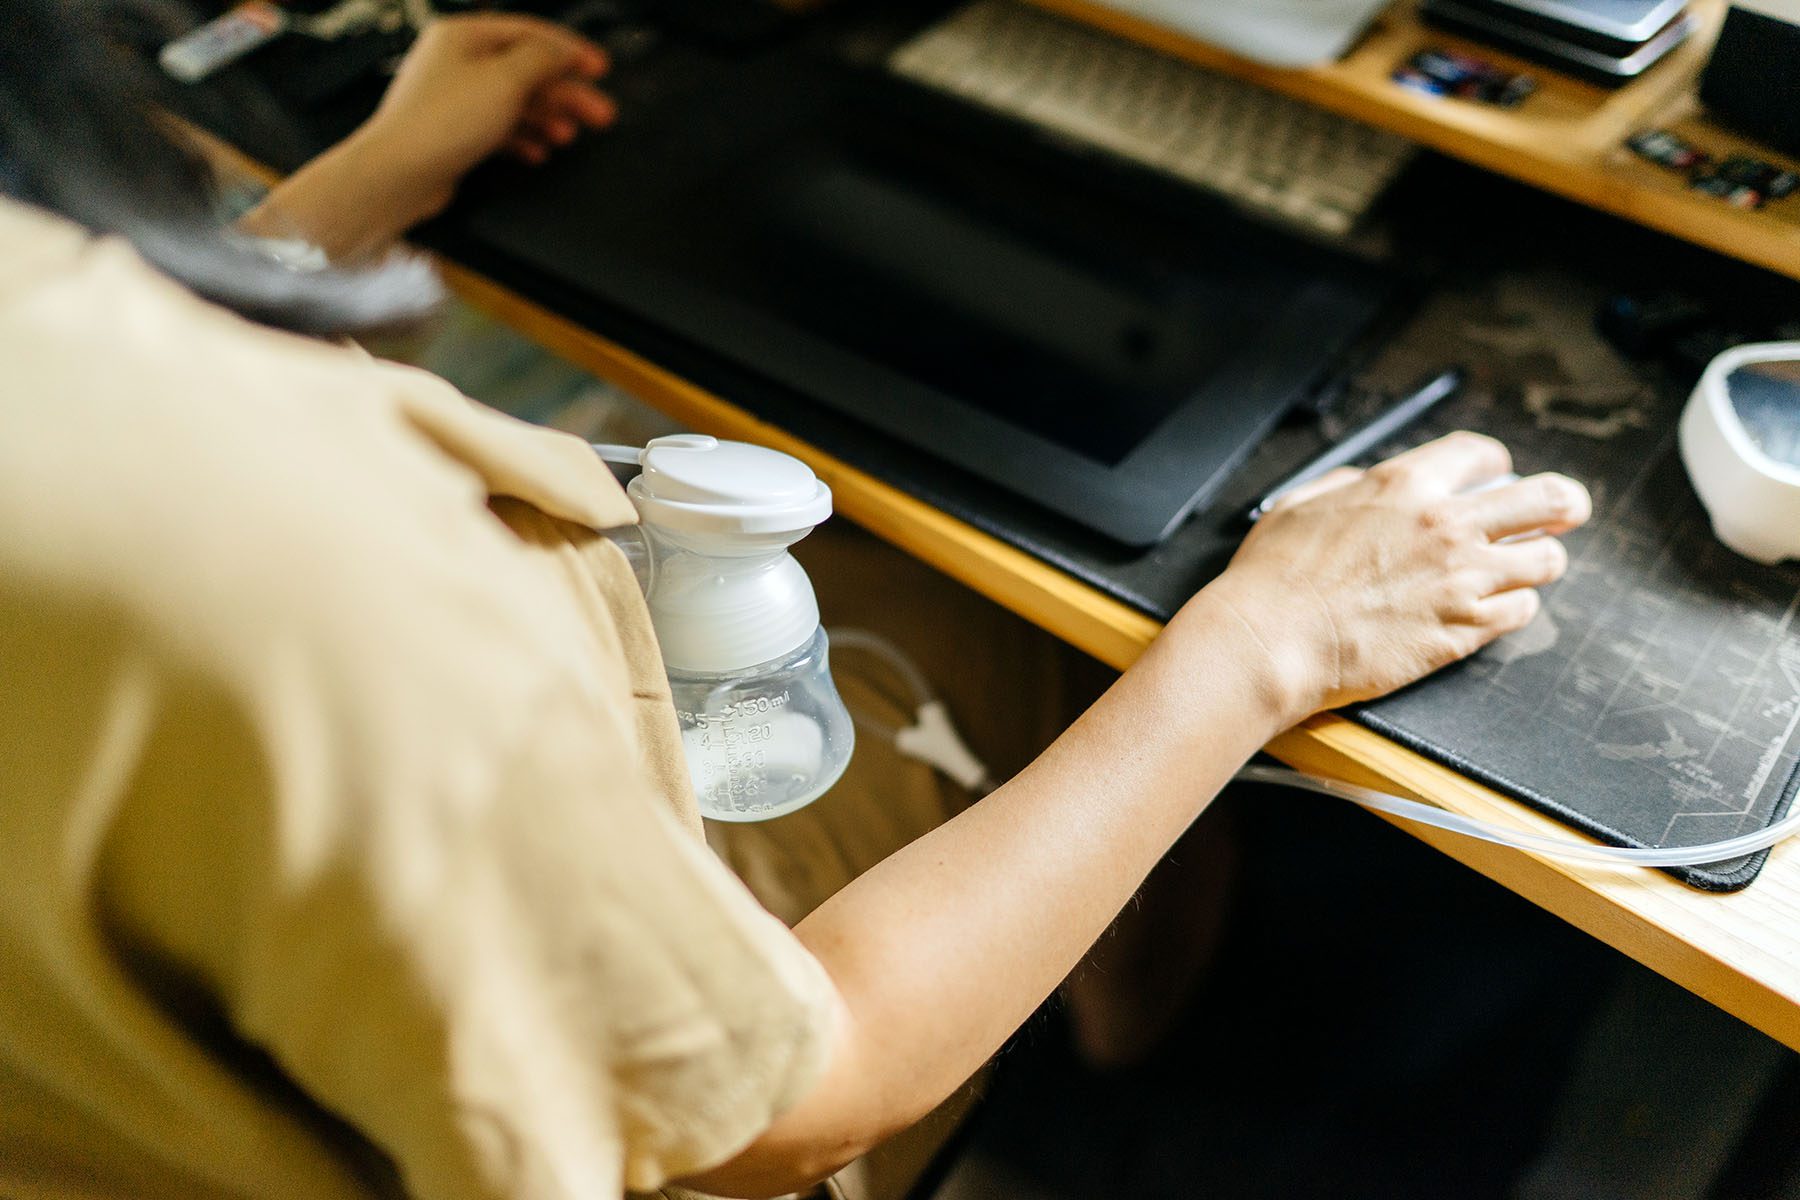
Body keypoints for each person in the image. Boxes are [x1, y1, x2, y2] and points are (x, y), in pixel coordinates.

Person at [0, 3, 1593, 1198]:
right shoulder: (280, 567)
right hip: (611, 1104)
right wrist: (1264, 642)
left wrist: (350, 192)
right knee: (1047, 631)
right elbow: (799, 1092)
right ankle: (1124, 1065)